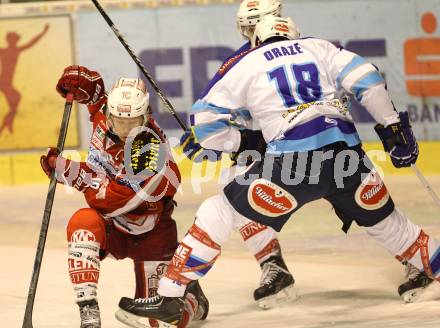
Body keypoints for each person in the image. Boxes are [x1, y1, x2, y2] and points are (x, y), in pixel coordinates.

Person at [117, 14, 440, 326]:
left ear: (255, 40)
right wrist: (392, 128)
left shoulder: (246, 61)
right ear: (294, 34)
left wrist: (243, 142)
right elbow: (368, 79)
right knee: (393, 227)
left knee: (220, 208)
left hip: (292, 166)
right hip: (348, 160)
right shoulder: (318, 46)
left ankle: (171, 295)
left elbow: (204, 123)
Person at [40, 65, 208, 328]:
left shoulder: (148, 148)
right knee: (82, 224)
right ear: (110, 114)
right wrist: (79, 80)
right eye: (119, 121)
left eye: (133, 123)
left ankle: (193, 300)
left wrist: (71, 172)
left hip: (152, 232)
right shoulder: (105, 115)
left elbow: (114, 200)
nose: (125, 129)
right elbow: (94, 91)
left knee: (157, 320)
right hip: (115, 230)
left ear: (145, 117)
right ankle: (88, 311)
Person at [180, 0, 296, 309]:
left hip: (311, 145)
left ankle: (415, 254)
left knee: (360, 201)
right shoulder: (242, 60)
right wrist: (209, 137)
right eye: (244, 28)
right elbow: (218, 110)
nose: (248, 35)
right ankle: (273, 264)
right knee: (237, 184)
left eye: (252, 26)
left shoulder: (303, 49)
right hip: (279, 147)